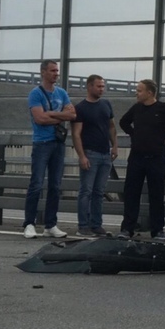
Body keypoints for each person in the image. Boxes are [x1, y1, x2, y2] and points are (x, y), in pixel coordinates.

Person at [118, 80, 165, 241]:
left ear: (150, 93)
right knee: (131, 194)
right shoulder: (136, 108)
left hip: (156, 158)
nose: (136, 93)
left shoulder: (163, 109)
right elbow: (123, 122)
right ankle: (127, 228)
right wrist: (133, 134)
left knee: (156, 194)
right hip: (136, 157)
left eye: (139, 90)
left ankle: (157, 230)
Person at [23, 59, 76, 238]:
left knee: (55, 184)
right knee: (36, 183)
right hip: (42, 143)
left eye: (57, 70)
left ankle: (50, 224)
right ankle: (29, 223)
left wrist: (52, 114)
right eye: (52, 70)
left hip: (58, 144)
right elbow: (39, 119)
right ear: (43, 72)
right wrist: (60, 117)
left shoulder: (62, 92)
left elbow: (73, 114)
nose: (56, 73)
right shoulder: (35, 94)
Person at [72, 74, 118, 237]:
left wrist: (115, 145)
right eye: (98, 86)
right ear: (90, 86)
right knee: (86, 191)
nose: (101, 89)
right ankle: (83, 226)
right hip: (90, 153)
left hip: (105, 153)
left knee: (99, 191)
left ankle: (96, 225)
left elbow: (111, 126)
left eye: (103, 86)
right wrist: (82, 155)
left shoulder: (106, 104)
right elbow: (76, 134)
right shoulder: (81, 108)